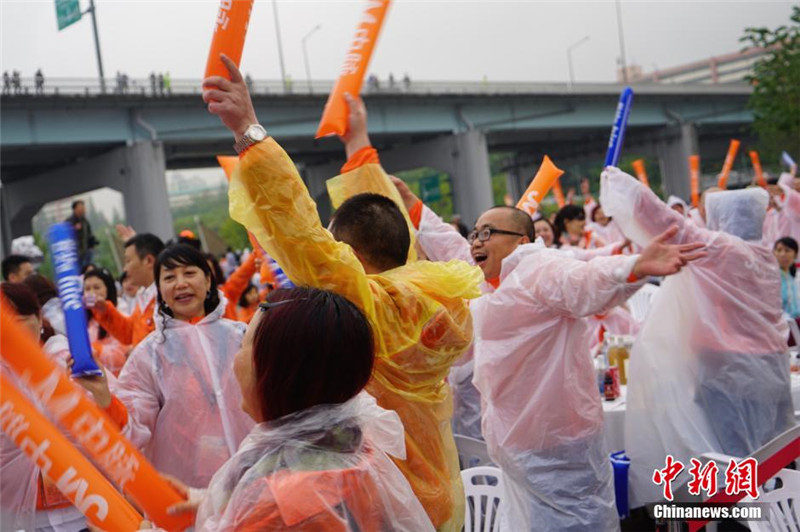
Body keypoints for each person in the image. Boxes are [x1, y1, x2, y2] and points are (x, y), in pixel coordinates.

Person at [204, 55, 481, 531]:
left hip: (377, 502)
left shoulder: (373, 310)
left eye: (339, 248)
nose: (330, 255)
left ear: (349, 256)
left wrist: (249, 130)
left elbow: (302, 236)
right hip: (435, 488)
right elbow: (391, 235)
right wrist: (357, 146)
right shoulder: (433, 297)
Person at [392, 172, 703, 530]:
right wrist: (412, 203)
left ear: (522, 241)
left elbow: (585, 281)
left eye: (488, 233)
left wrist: (633, 268)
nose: (477, 240)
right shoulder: (487, 281)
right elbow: (450, 244)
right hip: (514, 453)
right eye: (476, 232)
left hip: (558, 451)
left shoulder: (539, 270)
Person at [162, 287, 434, 530]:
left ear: (278, 372)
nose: (235, 360)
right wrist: (210, 501)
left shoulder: (278, 504)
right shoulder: (349, 447)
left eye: (244, 345)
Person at [600, 167, 794, 507]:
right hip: (769, 367)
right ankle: (778, 514)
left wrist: (621, 183)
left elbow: (668, 224)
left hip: (728, 372)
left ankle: (739, 522)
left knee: (734, 461)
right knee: (770, 454)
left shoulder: (720, 250)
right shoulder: (764, 255)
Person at [91, 244, 254, 488]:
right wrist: (103, 395)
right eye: (169, 277)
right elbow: (133, 427)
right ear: (160, 290)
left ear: (208, 280)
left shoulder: (243, 336)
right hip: (186, 491)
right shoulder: (149, 354)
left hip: (251, 480)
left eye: (189, 273)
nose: (180, 283)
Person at [0, 282, 127, 531]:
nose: (10, 329)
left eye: (19, 318)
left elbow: (124, 429)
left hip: (91, 511)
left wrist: (101, 397)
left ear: (39, 318)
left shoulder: (71, 359)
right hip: (26, 519)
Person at [87, 233, 164, 347]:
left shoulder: (167, 297)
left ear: (148, 260)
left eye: (128, 261)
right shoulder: (144, 295)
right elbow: (130, 333)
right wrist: (105, 311)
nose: (125, 269)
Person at [84, 269, 130, 376]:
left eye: (96, 287)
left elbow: (124, 351)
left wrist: (94, 350)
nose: (91, 293)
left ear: (107, 289)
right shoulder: (84, 319)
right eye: (87, 289)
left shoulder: (121, 312)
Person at [66, 199, 99, 269]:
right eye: (81, 207)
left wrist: (92, 243)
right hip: (76, 253)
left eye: (84, 207)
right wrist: (74, 228)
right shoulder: (69, 221)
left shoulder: (85, 221)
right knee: (79, 270)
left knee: (88, 269)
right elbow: (66, 235)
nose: (83, 209)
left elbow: (89, 234)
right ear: (75, 209)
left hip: (87, 251)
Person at [774, 236, 800, 319]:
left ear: (795, 255)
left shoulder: (794, 279)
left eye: (787, 250)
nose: (782, 254)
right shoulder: (771, 278)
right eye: (779, 250)